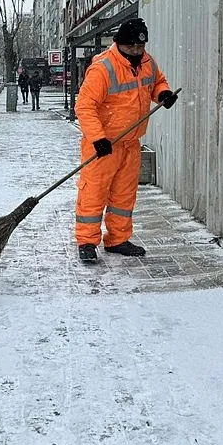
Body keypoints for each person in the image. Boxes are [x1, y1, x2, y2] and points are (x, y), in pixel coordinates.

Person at [74, 18, 178, 263]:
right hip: (103, 145)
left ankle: (118, 239)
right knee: (94, 193)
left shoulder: (146, 62)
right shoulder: (103, 68)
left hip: (131, 143)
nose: (137, 52)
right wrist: (98, 138)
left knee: (124, 194)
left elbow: (157, 82)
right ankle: (87, 242)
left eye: (140, 47)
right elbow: (85, 106)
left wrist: (163, 94)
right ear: (119, 43)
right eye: (131, 47)